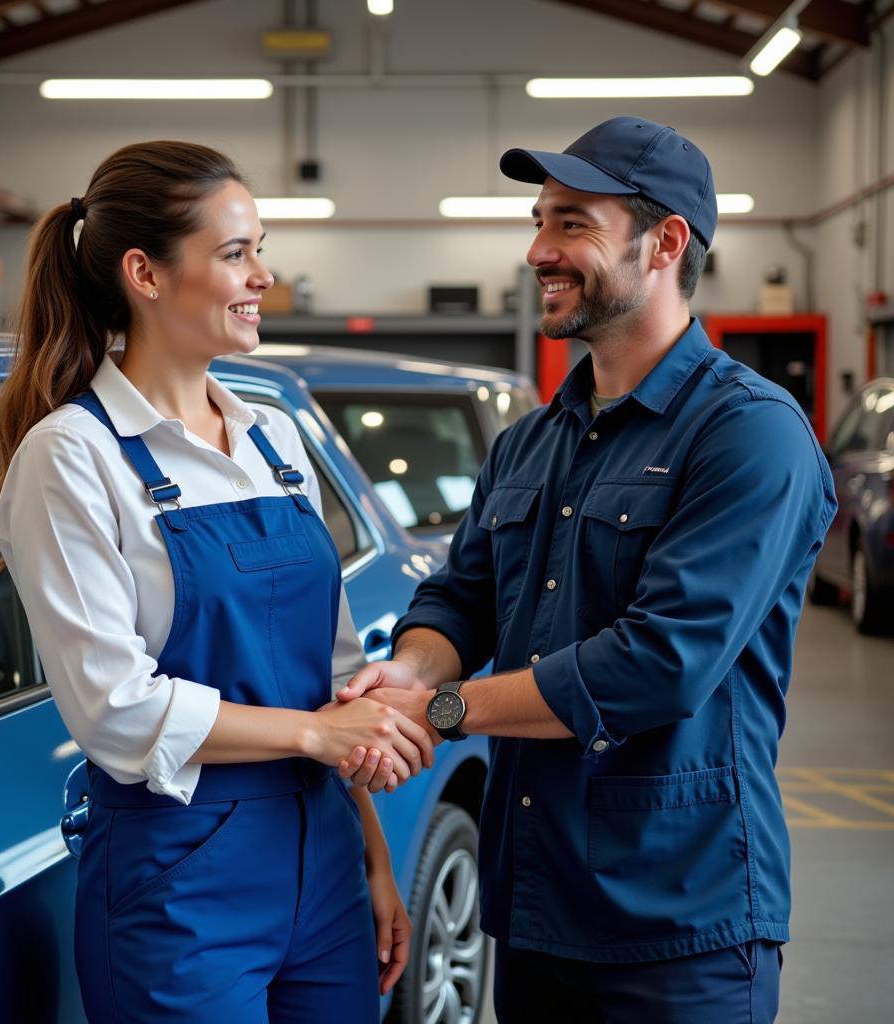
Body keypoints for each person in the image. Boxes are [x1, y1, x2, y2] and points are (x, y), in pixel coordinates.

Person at [338, 117, 837, 1022]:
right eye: (539, 221)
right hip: (533, 903)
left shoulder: (749, 434)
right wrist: (407, 671)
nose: (538, 250)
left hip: (676, 922)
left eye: (573, 223)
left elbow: (660, 661)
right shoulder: (532, 438)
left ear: (666, 242)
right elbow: (462, 595)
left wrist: (439, 711)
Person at [0, 140, 434, 1024]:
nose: (264, 275)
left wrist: (372, 853)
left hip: (325, 866)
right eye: (235, 253)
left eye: (260, 248)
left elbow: (334, 684)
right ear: (145, 272)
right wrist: (315, 738)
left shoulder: (273, 439)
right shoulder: (72, 457)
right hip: (180, 885)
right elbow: (115, 710)